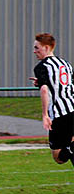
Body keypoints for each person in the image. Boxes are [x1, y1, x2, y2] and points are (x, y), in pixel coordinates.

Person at [30, 33, 74, 166]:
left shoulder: (41, 66)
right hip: (72, 108)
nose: (35, 51)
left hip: (59, 115)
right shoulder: (66, 64)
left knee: (59, 157)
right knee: (69, 150)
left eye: (37, 48)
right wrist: (43, 82)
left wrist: (45, 115)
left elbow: (44, 90)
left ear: (47, 47)